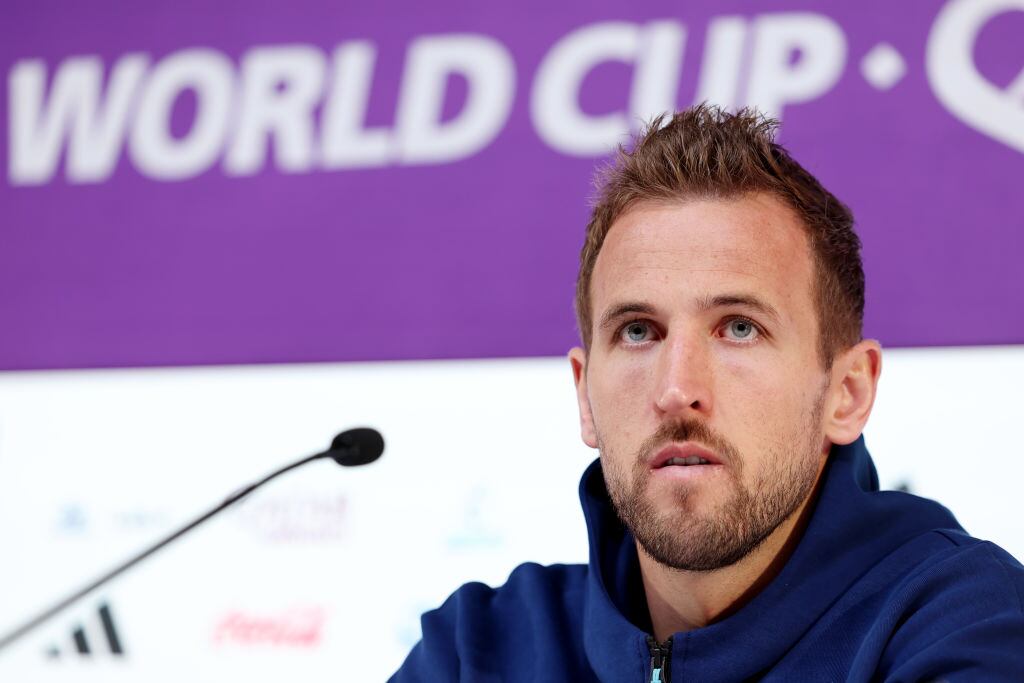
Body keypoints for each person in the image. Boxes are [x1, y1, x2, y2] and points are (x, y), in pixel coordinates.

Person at [389, 105, 1024, 681]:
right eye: (638, 332)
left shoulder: (964, 627)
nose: (676, 389)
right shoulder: (477, 651)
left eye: (739, 328)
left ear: (847, 393)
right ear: (584, 396)